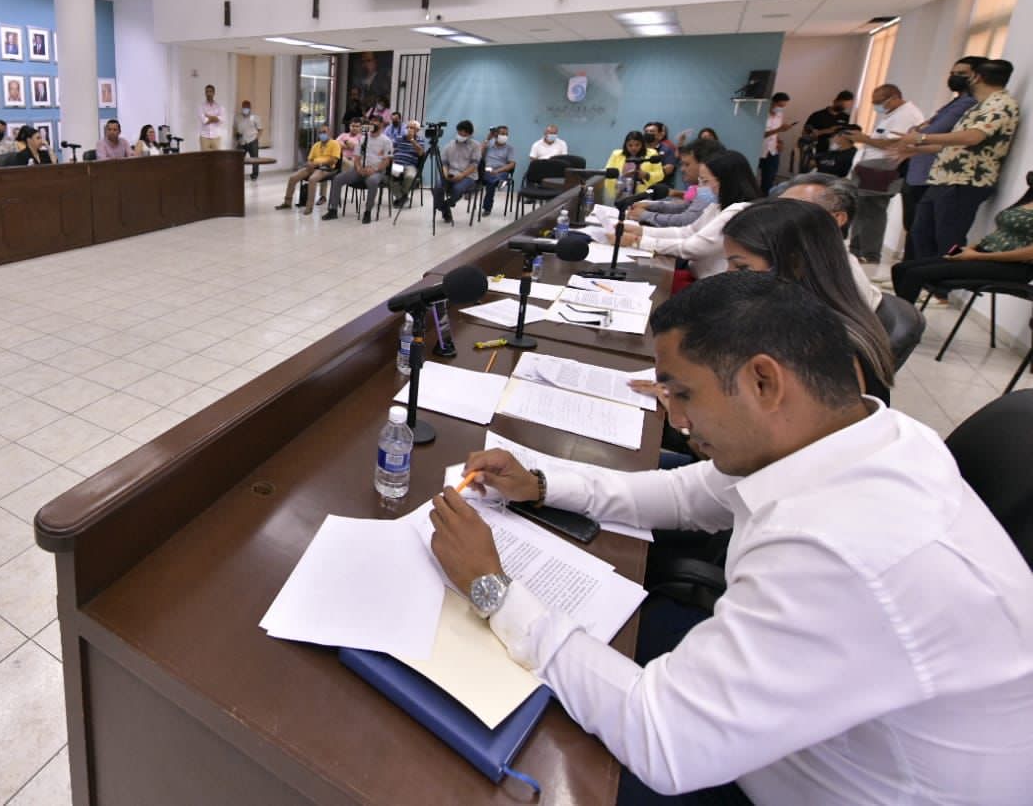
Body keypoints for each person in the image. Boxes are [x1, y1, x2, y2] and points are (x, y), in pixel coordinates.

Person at [429, 272, 1033, 805]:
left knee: (489, 762)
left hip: (803, 783)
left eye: (683, 393)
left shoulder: (846, 550)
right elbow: (687, 494)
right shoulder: (862, 433)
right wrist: (541, 483)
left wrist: (492, 588)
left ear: (764, 381)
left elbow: (661, 739)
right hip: (795, 738)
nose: (676, 419)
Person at [722, 199, 896, 402]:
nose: (728, 276)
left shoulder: (824, 347)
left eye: (742, 267)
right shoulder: (789, 319)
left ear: (795, 264)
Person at [902, 58, 1020, 260]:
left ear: (976, 77)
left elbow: (973, 137)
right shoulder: (979, 106)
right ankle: (926, 276)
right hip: (943, 178)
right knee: (920, 233)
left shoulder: (1000, 104)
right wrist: (917, 148)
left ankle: (946, 279)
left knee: (949, 240)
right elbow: (957, 144)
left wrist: (922, 138)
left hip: (964, 181)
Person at [890, 170, 1033, 307]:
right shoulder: (1026, 201)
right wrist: (968, 249)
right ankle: (897, 315)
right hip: (981, 253)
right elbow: (1000, 234)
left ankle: (902, 320)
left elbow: (1029, 253)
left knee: (915, 274)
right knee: (900, 268)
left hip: (1011, 267)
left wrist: (977, 256)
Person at [620, 150, 761, 278]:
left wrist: (637, 241)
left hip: (707, 284)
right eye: (700, 181)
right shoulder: (718, 206)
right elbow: (687, 232)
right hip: (694, 274)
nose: (700, 187)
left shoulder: (737, 212)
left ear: (726, 181)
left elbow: (693, 248)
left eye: (705, 181)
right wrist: (641, 231)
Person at [898, 58, 982, 249]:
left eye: (962, 74)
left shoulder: (968, 104)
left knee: (927, 234)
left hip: (933, 174)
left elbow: (929, 131)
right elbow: (917, 130)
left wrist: (919, 135)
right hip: (920, 171)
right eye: (953, 73)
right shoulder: (954, 102)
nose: (955, 77)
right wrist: (918, 134)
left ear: (976, 77)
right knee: (915, 230)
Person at [844, 83, 927, 262]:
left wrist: (863, 138)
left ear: (895, 97)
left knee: (874, 210)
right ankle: (856, 249)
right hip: (871, 166)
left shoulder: (907, 114)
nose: (877, 106)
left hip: (884, 168)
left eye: (880, 101)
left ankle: (870, 253)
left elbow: (893, 143)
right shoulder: (893, 114)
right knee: (862, 209)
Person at [778, 173, 884, 310]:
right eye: (777, 206)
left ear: (836, 218)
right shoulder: (793, 253)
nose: (777, 215)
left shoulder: (838, 280)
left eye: (794, 208)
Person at [632, 137, 725, 229]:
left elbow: (686, 221)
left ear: (704, 164)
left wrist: (644, 215)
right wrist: (650, 206)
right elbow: (684, 207)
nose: (682, 169)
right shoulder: (703, 187)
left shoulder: (710, 190)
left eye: (687, 164)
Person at [323, 117, 394, 224]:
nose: (372, 125)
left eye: (375, 123)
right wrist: (359, 168)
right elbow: (356, 157)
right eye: (371, 123)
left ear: (381, 125)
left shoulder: (386, 141)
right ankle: (333, 210)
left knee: (372, 181)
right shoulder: (364, 138)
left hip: (377, 171)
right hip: (360, 169)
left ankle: (367, 212)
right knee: (337, 179)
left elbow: (386, 161)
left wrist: (374, 169)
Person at [276, 127, 341, 214]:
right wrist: (310, 164)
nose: (322, 134)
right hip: (313, 167)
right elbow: (310, 159)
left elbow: (334, 160)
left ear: (329, 133)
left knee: (312, 179)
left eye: (324, 132)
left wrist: (318, 164)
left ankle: (309, 207)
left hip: (326, 168)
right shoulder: (316, 145)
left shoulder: (335, 144)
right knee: (293, 178)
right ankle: (287, 203)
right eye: (320, 132)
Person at [435, 120, 482, 225]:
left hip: (468, 175)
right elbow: (444, 163)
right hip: (450, 173)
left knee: (457, 189)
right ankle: (444, 208)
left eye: (465, 133)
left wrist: (462, 175)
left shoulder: (475, 146)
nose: (462, 135)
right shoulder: (450, 145)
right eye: (460, 132)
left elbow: (474, 165)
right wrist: (445, 174)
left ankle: (446, 206)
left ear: (470, 134)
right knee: (438, 187)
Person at [801, 91, 855, 161]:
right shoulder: (817, 115)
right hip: (818, 153)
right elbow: (805, 135)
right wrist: (826, 131)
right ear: (835, 101)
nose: (844, 108)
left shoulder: (847, 118)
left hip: (838, 155)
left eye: (846, 106)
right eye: (842, 105)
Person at [758, 92, 795, 191]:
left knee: (770, 176)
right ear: (772, 102)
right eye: (780, 106)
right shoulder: (761, 114)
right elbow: (759, 135)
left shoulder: (779, 114)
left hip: (773, 149)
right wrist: (779, 129)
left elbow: (776, 132)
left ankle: (766, 194)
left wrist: (779, 141)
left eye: (783, 107)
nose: (781, 109)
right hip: (760, 148)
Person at [479, 125, 516, 216]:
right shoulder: (488, 145)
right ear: (496, 135)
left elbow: (512, 164)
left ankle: (487, 208)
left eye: (506, 134)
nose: (505, 136)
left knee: (491, 181)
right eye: (502, 134)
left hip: (501, 171)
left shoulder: (509, 148)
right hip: (487, 170)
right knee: (490, 179)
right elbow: (478, 155)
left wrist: (498, 171)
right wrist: (487, 139)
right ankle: (499, 182)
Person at [388, 120, 424, 207]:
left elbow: (420, 153)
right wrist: (392, 156)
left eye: (412, 128)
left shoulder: (420, 140)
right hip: (397, 164)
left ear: (417, 130)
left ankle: (401, 197)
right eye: (407, 127)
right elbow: (390, 148)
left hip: (410, 165)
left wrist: (412, 140)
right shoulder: (399, 138)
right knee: (391, 179)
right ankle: (403, 197)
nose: (409, 129)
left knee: (410, 177)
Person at [234, 100, 263, 178]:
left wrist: (256, 138)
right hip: (242, 141)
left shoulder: (255, 117)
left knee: (255, 159)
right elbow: (235, 128)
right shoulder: (237, 117)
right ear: (242, 107)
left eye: (247, 107)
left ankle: (254, 175)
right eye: (244, 107)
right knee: (238, 159)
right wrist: (237, 137)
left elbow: (260, 129)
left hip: (252, 140)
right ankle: (238, 174)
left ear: (250, 108)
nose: (245, 109)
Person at [199, 85, 225, 151]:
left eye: (210, 91)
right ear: (205, 93)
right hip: (204, 136)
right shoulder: (201, 107)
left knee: (217, 156)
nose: (208, 94)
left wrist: (209, 117)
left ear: (214, 93)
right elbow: (204, 121)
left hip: (216, 136)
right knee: (205, 156)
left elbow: (221, 120)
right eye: (207, 92)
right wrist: (215, 118)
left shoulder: (219, 107)